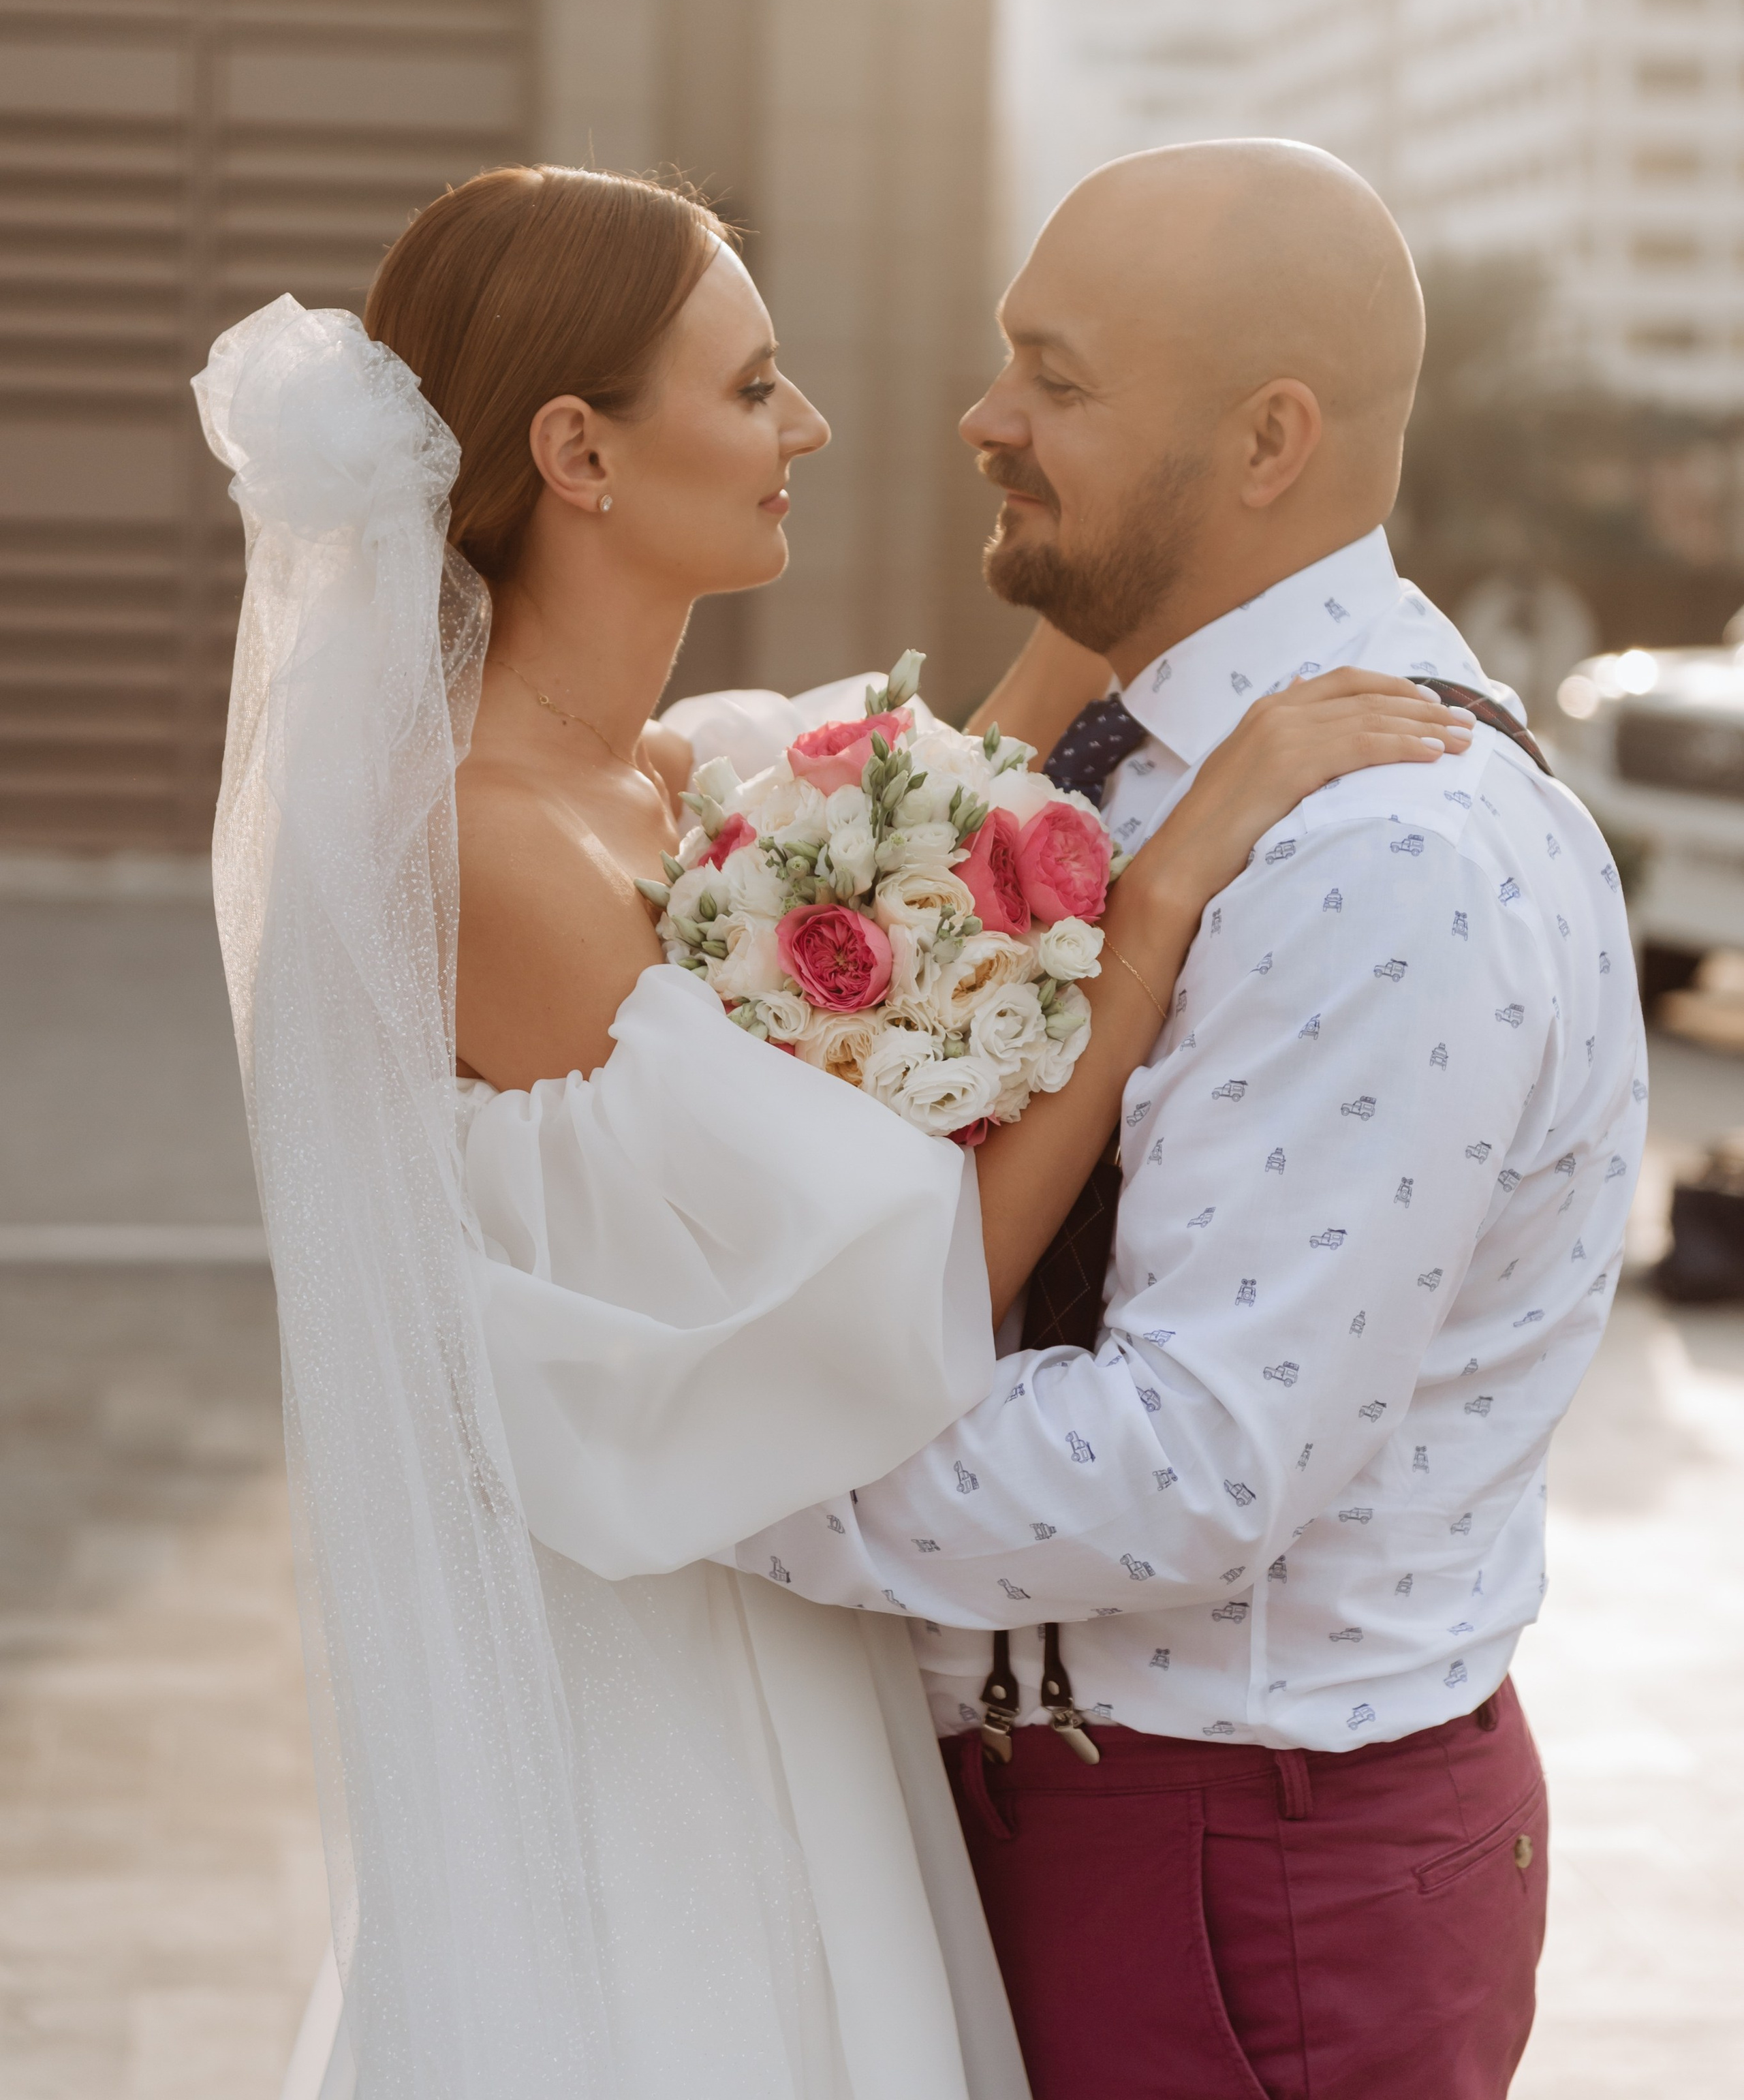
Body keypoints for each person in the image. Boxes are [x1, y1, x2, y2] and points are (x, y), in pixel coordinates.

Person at [196, 161, 1467, 2100]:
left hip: (790, 1654)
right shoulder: (493, 861)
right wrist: (1172, 886)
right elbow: (905, 1294)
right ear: (581, 454)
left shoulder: (671, 780)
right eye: (752, 385)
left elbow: (941, 798)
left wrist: (1165, 552)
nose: (813, 425)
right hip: (671, 1728)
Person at [727, 141, 1647, 2100]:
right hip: (1091, 1818)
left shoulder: (1383, 849)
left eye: (1057, 379)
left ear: (1266, 440)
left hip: (1239, 1861)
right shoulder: (1135, 760)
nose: (987, 420)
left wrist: (718, 1452)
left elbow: (1190, 1464)